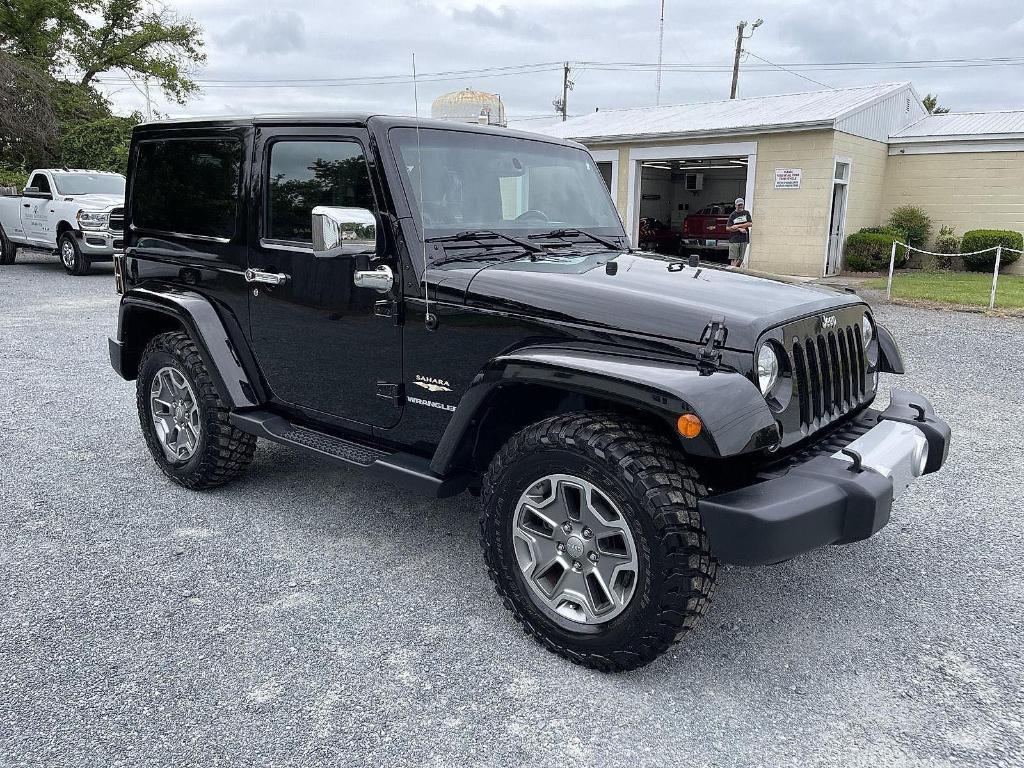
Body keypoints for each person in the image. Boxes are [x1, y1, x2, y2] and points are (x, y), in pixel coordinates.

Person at [726, 197, 753, 267]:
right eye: (739, 205)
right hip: (734, 239)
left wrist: (738, 226)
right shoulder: (733, 215)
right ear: (735, 205)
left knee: (741, 259)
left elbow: (750, 223)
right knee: (734, 258)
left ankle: (736, 269)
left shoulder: (746, 213)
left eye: (742, 205)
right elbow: (728, 228)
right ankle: (733, 270)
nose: (740, 206)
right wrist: (739, 229)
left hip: (744, 239)